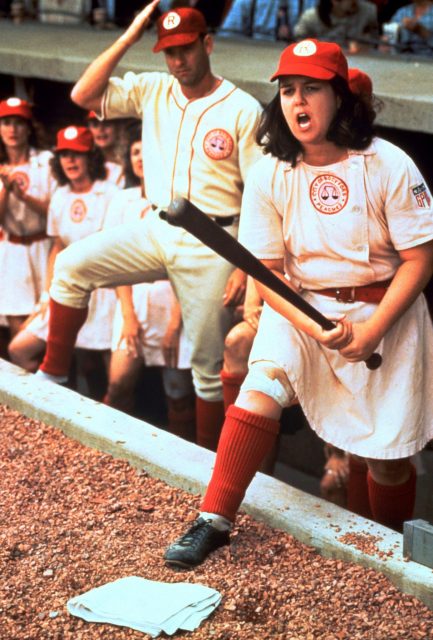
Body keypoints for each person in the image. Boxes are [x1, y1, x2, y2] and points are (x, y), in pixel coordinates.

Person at [163, 38, 433, 568]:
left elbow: (420, 261)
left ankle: (386, 556)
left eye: (311, 88)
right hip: (301, 305)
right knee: (259, 385)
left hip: (386, 318)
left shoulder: (389, 164)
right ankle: (213, 517)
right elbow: (267, 274)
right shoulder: (270, 170)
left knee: (387, 462)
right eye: (287, 90)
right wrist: (311, 326)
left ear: (339, 96)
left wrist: (374, 329)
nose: (297, 101)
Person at [35, 3, 263, 450]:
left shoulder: (243, 108)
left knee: (206, 366)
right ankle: (53, 376)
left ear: (207, 45)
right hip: (158, 225)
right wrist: (129, 35)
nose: (177, 61)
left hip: (215, 240)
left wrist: (246, 268)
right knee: (71, 266)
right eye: (168, 52)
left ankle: (208, 468)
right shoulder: (154, 87)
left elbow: (259, 196)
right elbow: (83, 95)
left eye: (185, 49)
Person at [9, 126, 118, 395]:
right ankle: (56, 403)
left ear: (90, 157)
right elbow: (57, 246)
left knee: (100, 369)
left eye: (77, 154)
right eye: (64, 154)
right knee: (19, 348)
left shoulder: (111, 193)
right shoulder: (60, 196)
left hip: (103, 289)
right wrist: (47, 295)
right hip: (67, 288)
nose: (70, 161)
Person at [103, 122, 195, 439]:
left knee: (179, 395)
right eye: (135, 151)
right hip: (134, 303)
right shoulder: (122, 201)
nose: (141, 157)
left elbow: (189, 265)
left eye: (147, 150)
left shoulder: (180, 202)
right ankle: (110, 451)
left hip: (173, 303)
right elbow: (114, 263)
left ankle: (182, 464)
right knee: (117, 385)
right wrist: (128, 316)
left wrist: (174, 324)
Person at [0, 97, 56, 339]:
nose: (13, 130)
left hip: (44, 246)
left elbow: (57, 214)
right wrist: (5, 190)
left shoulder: (46, 162)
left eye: (19, 123)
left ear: (28, 128)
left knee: (51, 323)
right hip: (12, 250)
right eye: (6, 123)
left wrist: (23, 197)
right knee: (18, 330)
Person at [294, 0, 379, 52]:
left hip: (360, 61)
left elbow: (377, 39)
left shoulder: (368, 11)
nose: (355, 1)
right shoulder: (311, 18)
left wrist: (365, 44)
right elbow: (298, 42)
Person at [87, 110, 125, 187]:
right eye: (95, 125)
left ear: (118, 128)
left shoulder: (130, 160)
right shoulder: (85, 164)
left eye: (107, 124)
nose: (101, 129)